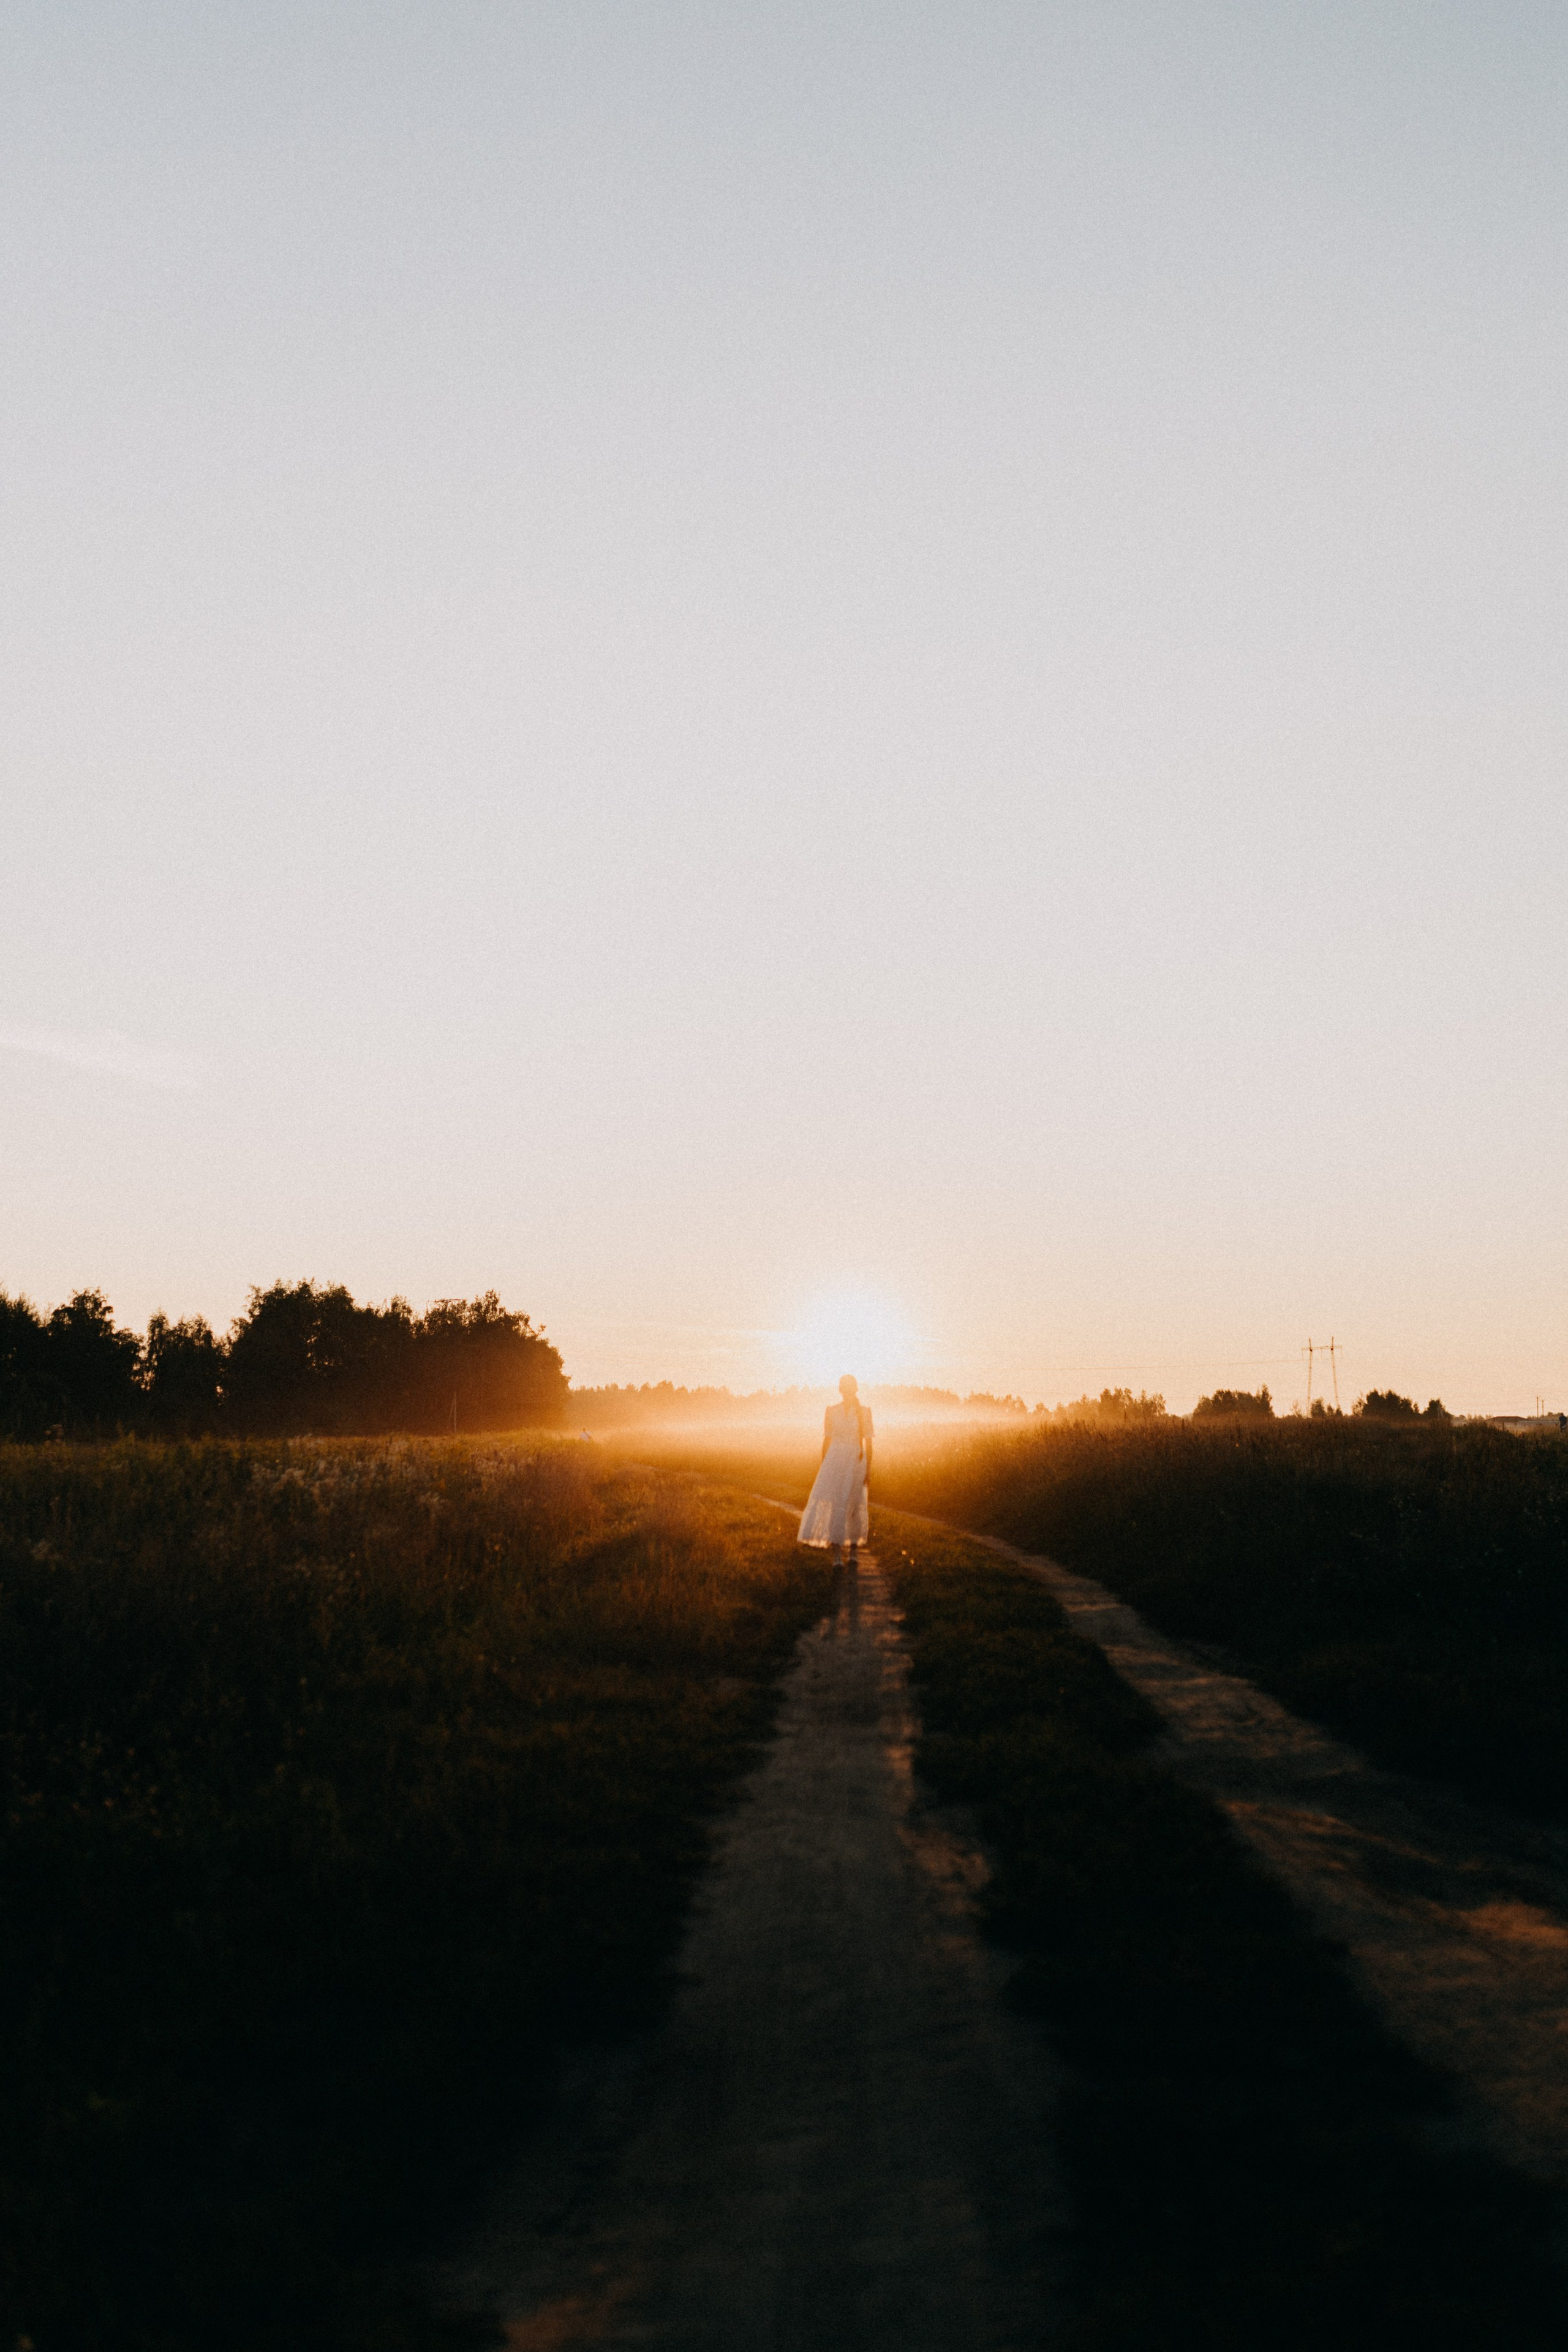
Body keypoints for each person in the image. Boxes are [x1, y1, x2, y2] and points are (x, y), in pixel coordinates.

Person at [797, 1374, 873, 1565]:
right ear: (840, 1389)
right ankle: (837, 1555)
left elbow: (869, 1443)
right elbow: (827, 1440)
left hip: (857, 1460)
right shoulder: (831, 1411)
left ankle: (854, 1552)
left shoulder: (865, 1412)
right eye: (844, 1387)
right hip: (835, 1460)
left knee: (855, 1505)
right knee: (835, 1505)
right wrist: (824, 1466)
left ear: (855, 1389)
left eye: (850, 1387)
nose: (847, 1390)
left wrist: (868, 1471)